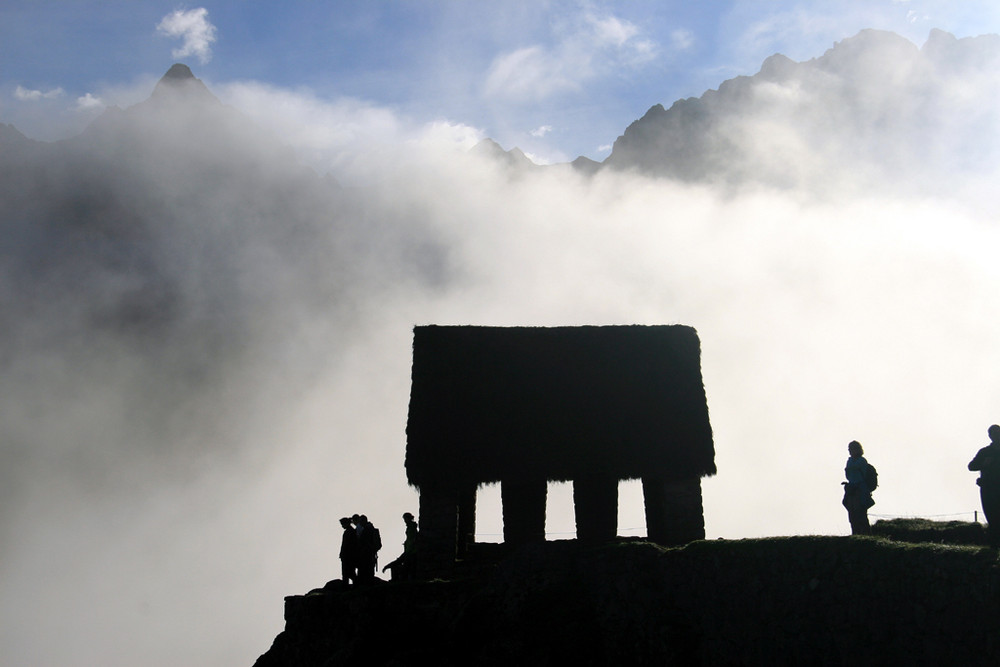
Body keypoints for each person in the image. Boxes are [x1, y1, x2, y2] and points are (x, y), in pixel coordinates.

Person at [968, 424, 1000, 548]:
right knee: (991, 516)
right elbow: (971, 466)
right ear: (990, 436)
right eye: (993, 434)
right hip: (988, 489)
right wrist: (983, 464)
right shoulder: (985, 452)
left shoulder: (986, 451)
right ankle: (994, 544)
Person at [842, 440, 874, 535]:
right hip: (852, 489)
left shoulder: (861, 461)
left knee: (860, 514)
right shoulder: (850, 461)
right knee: (852, 515)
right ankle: (856, 534)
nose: (850, 451)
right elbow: (849, 476)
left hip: (860, 490)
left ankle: (865, 534)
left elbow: (857, 475)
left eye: (852, 449)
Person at [382, 512, 419, 581]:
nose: (405, 521)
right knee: (407, 567)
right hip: (409, 551)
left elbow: (412, 540)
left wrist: (408, 549)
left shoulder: (411, 528)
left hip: (411, 552)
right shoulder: (411, 527)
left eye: (405, 519)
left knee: (408, 568)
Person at [353, 514, 378, 584]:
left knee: (364, 571)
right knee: (368, 572)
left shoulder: (367, 530)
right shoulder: (370, 528)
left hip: (366, 554)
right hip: (369, 554)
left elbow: (363, 542)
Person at [338, 517, 358, 586]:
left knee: (348, 572)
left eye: (342, 524)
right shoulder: (351, 531)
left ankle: (347, 586)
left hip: (348, 556)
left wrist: (343, 554)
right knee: (349, 572)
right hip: (348, 556)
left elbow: (346, 545)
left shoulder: (349, 532)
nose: (342, 526)